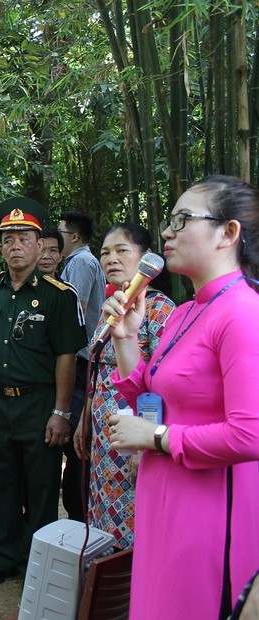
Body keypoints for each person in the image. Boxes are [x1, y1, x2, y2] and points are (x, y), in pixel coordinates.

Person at [106, 176, 259, 619]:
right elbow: (149, 395)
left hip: (210, 512)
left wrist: (156, 437)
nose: (166, 231)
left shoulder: (243, 313)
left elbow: (250, 435)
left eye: (182, 219)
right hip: (162, 497)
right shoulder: (188, 311)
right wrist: (126, 338)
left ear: (228, 233)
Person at [0, 197, 86, 587]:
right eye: (7, 239)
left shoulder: (58, 295)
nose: (14, 246)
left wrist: (61, 412)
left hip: (39, 404)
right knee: (0, 483)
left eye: (23, 238)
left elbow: (66, 356)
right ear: (0, 246)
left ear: (39, 245)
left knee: (41, 485)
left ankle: (38, 560)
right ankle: (3, 558)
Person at [73, 223, 174, 550]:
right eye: (105, 252)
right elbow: (97, 372)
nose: (111, 258)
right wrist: (84, 418)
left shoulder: (159, 309)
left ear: (146, 257)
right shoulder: (112, 308)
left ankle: (134, 593)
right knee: (104, 514)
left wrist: (147, 441)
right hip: (105, 435)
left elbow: (163, 382)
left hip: (136, 436)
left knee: (135, 520)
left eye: (121, 251)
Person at [57, 211, 104, 521]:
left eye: (60, 231)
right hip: (75, 359)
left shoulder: (82, 263)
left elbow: (76, 310)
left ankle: (80, 517)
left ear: (73, 236)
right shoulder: (75, 262)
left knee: (76, 441)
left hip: (81, 359)